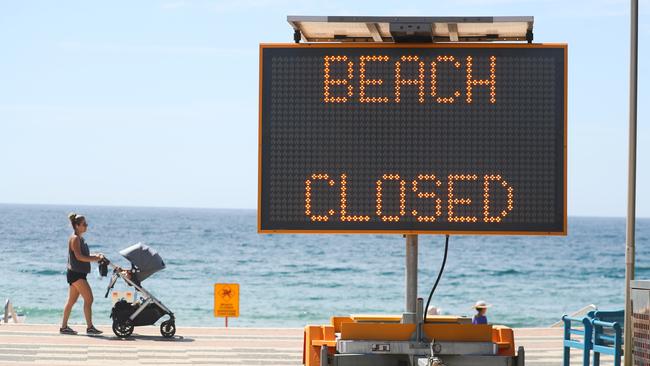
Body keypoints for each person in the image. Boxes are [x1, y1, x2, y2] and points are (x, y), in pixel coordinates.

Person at [60, 213, 105, 335]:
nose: (86, 226)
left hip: (77, 273)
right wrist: (95, 258)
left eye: (86, 224)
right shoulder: (75, 239)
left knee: (71, 301)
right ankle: (90, 327)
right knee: (89, 299)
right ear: (76, 225)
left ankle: (63, 327)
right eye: (84, 224)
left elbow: (83, 255)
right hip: (76, 274)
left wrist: (96, 255)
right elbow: (79, 257)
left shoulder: (80, 238)